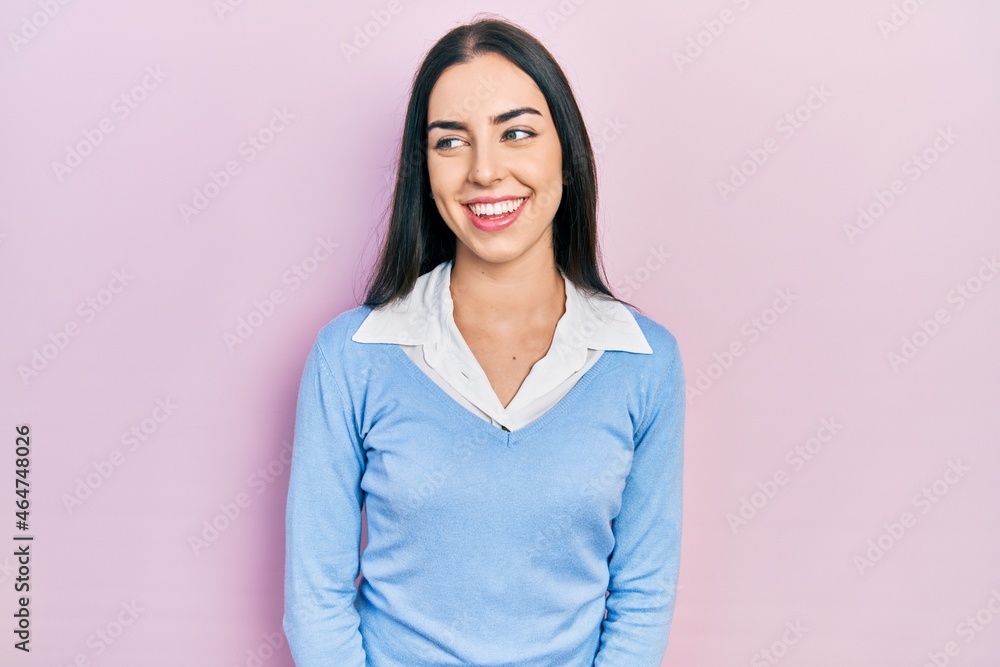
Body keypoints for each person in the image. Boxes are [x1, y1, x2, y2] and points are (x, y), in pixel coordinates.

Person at [283, 15, 686, 667]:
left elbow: (642, 596)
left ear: (567, 152)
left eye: (518, 133)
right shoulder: (351, 355)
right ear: (426, 166)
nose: (484, 170)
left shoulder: (644, 362)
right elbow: (316, 599)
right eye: (450, 142)